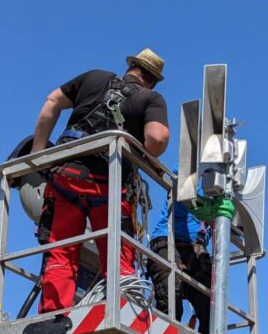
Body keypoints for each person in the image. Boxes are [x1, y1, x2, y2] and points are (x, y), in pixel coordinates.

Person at [30, 49, 170, 314]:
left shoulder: (94, 77)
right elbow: (157, 138)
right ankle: (122, 310)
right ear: (152, 80)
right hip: (109, 185)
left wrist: (38, 153)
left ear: (131, 66)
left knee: (61, 251)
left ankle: (53, 315)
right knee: (118, 256)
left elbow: (52, 101)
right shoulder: (150, 98)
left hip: (66, 176)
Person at [148, 174, 211, 334]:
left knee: (211, 314)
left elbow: (238, 227)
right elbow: (182, 175)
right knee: (171, 306)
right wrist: (206, 208)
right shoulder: (195, 177)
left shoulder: (222, 194)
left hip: (195, 251)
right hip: (169, 241)